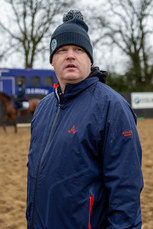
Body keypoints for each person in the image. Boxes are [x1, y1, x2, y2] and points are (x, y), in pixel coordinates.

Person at [26, 10, 143, 229]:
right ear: (52, 61)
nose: (70, 55)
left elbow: (125, 193)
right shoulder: (42, 109)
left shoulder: (112, 107)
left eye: (78, 49)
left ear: (89, 59)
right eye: (61, 50)